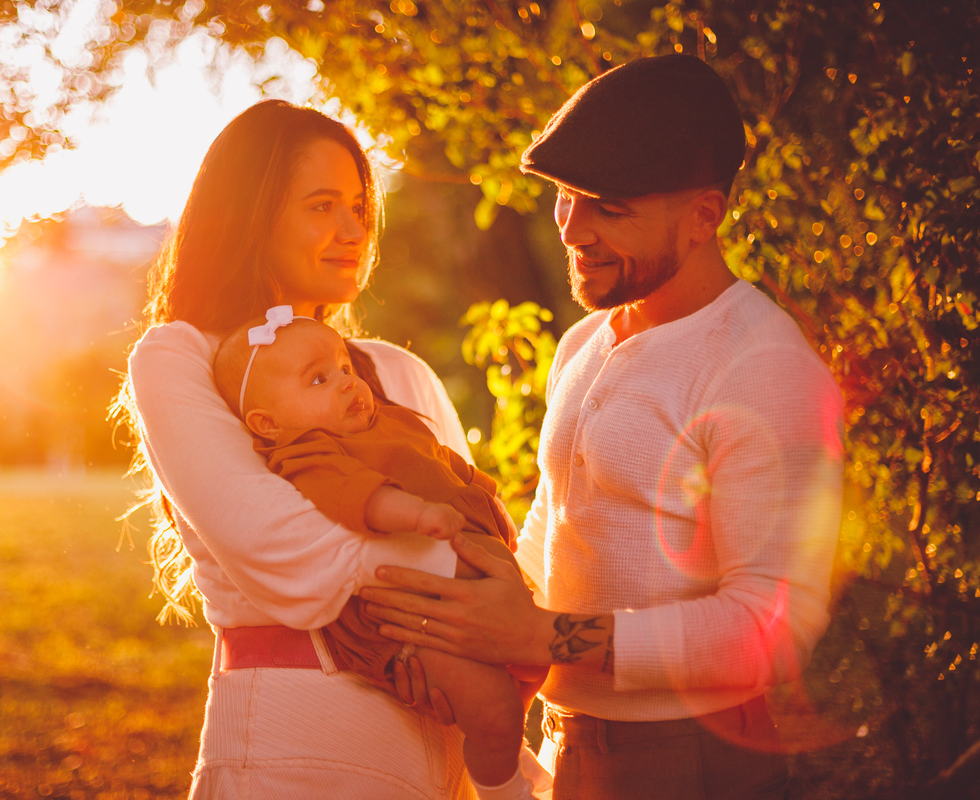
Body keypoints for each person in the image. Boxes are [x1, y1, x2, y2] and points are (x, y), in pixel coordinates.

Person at [361, 54, 845, 800]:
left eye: (609, 208)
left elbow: (772, 627)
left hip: (692, 758)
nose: (572, 230)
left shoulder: (764, 368)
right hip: (571, 740)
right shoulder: (584, 345)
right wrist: (464, 628)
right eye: (564, 197)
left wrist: (544, 638)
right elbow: (552, 534)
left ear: (704, 217)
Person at [117, 99, 548, 799]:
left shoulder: (399, 373)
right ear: (251, 217)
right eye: (322, 207)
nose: (353, 230)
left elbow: (484, 532)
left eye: (357, 205)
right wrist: (459, 584)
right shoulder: (181, 357)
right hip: (294, 748)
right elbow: (276, 550)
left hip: (443, 754)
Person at [211, 310, 549, 792]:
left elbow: (445, 463)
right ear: (269, 423)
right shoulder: (310, 452)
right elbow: (359, 497)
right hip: (415, 613)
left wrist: (486, 494)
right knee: (491, 706)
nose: (347, 384)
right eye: (319, 379)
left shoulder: (391, 422)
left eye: (345, 368)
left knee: (530, 666)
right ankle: (506, 786)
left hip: (469, 578)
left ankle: (508, 756)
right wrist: (417, 516)